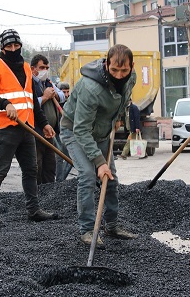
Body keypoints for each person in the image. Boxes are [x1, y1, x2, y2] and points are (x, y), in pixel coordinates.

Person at [59, 44, 138, 248]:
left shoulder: (132, 77)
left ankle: (111, 225)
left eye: (124, 70)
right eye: (114, 70)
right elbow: (81, 130)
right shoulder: (90, 88)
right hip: (75, 132)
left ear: (131, 66)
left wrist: (119, 117)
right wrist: (99, 162)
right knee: (87, 175)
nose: (119, 75)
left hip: (102, 132)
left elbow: (125, 98)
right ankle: (87, 230)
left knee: (110, 179)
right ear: (106, 64)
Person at [0, 29, 59, 224]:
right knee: (0, 170)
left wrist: (44, 124)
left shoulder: (24, 67)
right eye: (9, 46)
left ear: (20, 46)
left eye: (16, 45)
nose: (13, 49)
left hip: (27, 128)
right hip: (5, 128)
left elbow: (31, 100)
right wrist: (5, 104)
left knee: (31, 169)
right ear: (2, 48)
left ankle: (34, 210)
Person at [30, 54, 65, 184]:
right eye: (41, 67)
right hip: (36, 132)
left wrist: (54, 93)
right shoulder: (29, 84)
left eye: (46, 67)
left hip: (51, 132)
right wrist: (44, 97)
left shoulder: (48, 83)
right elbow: (29, 106)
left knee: (50, 164)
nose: (44, 70)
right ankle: (37, 192)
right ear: (33, 68)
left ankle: (50, 192)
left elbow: (62, 96)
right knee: (37, 164)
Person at [55, 81, 73, 182]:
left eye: (67, 92)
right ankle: (58, 181)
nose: (66, 95)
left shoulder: (69, 104)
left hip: (67, 134)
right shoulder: (54, 103)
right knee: (58, 157)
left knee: (70, 158)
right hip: (56, 133)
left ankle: (61, 180)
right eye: (63, 92)